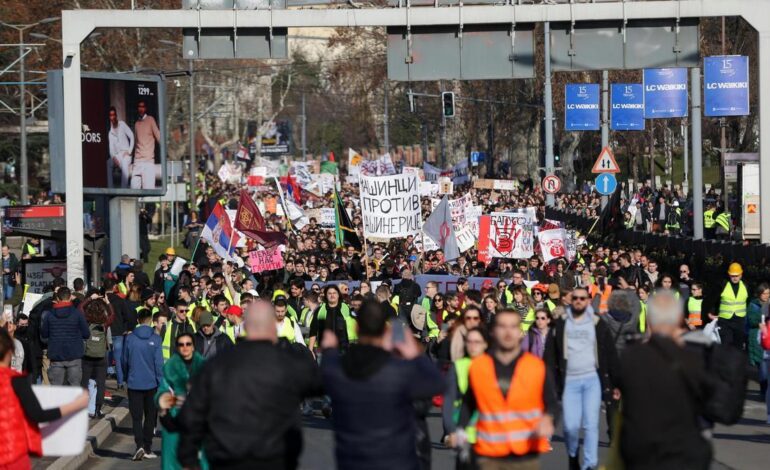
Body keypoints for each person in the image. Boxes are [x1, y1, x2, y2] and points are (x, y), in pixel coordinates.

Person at [179, 300, 323, 470]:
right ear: (272, 327)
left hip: (230, 454)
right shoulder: (286, 362)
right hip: (273, 455)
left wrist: (188, 457)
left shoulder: (219, 363)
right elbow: (319, 385)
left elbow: (192, 412)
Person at [320, 299, 445, 470]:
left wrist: (329, 351)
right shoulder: (399, 370)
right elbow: (436, 383)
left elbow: (324, 368)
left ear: (357, 327)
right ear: (385, 331)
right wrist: (415, 354)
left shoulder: (336, 368)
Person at [450, 309, 558, 470]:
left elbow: (552, 404)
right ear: (493, 332)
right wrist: (459, 431)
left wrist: (549, 420)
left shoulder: (535, 367)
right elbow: (468, 404)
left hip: (525, 455)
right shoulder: (479, 367)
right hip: (488, 454)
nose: (508, 332)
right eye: (502, 326)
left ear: (520, 332)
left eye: (513, 326)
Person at [617, 292, 712, 469]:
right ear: (679, 319)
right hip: (684, 451)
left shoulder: (631, 357)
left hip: (642, 451)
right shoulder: (694, 358)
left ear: (650, 321)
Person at [544, 286, 620, 470]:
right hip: (569, 380)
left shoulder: (597, 323)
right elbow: (550, 355)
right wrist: (549, 381)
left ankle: (589, 464)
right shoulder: (561, 323)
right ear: (571, 300)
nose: (578, 301)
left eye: (582, 298)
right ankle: (572, 456)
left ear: (587, 300)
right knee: (570, 427)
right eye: (575, 298)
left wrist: (616, 383)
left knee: (591, 424)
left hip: (592, 379)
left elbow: (610, 354)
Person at [0, 328, 89, 469]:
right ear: (10, 351)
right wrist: (75, 404)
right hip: (12, 455)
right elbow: (38, 415)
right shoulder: (17, 382)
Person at [155, 332, 207, 470]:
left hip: (198, 422)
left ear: (193, 347)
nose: (185, 347)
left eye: (188, 344)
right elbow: (162, 390)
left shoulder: (204, 367)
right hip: (174, 421)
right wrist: (163, 399)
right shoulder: (169, 368)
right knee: (173, 463)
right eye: (181, 344)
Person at [442, 327, 489, 470]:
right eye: (469, 342)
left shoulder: (494, 366)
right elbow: (449, 401)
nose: (473, 346)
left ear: (485, 344)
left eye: (477, 342)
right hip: (465, 435)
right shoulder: (459, 366)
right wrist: (450, 430)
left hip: (490, 435)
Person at [122, 308, 164, 461]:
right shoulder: (156, 339)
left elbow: (124, 360)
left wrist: (126, 376)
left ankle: (139, 445)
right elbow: (159, 364)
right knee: (150, 416)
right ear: (151, 321)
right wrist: (161, 383)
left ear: (138, 320)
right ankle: (147, 446)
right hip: (151, 384)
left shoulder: (130, 339)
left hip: (134, 383)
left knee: (136, 417)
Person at [41, 287, 91, 386]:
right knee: (74, 387)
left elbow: (44, 334)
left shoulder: (49, 314)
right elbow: (86, 334)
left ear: (58, 298)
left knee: (57, 389)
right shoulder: (77, 313)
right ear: (70, 298)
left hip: (56, 354)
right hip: (74, 355)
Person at [80, 295, 113, 419]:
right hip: (101, 356)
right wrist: (108, 302)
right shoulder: (105, 324)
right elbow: (112, 314)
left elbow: (80, 308)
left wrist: (89, 299)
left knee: (84, 382)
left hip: (87, 356)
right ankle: (97, 409)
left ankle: (83, 408)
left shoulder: (86, 321)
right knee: (101, 383)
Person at [708, 263, 749, 349]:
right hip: (725, 321)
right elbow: (714, 300)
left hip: (739, 321)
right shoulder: (723, 285)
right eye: (732, 275)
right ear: (729, 275)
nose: (734, 277)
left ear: (741, 275)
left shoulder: (746, 285)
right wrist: (711, 312)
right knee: (726, 346)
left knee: (738, 346)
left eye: (737, 275)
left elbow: (748, 301)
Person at [131, 99, 161, 190]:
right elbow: (136, 143)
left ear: (146, 108)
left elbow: (159, 137)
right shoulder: (136, 124)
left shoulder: (151, 120)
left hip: (148, 162)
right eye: (139, 107)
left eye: (143, 107)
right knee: (133, 191)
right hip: (137, 162)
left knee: (149, 194)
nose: (141, 109)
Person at [748, 283, 770, 399]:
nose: (766, 296)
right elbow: (751, 320)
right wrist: (764, 317)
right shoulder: (753, 305)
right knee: (763, 369)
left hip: (769, 338)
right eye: (764, 293)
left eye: (768, 293)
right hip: (758, 339)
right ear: (759, 293)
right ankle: (764, 392)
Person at [107, 105, 135, 188]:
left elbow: (131, 136)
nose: (113, 117)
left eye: (113, 115)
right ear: (109, 117)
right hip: (118, 155)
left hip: (126, 154)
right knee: (108, 163)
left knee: (124, 163)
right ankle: (110, 188)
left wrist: (129, 151)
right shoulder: (110, 133)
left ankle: (124, 189)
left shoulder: (122, 124)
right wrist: (114, 158)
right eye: (111, 115)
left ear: (116, 115)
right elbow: (111, 149)